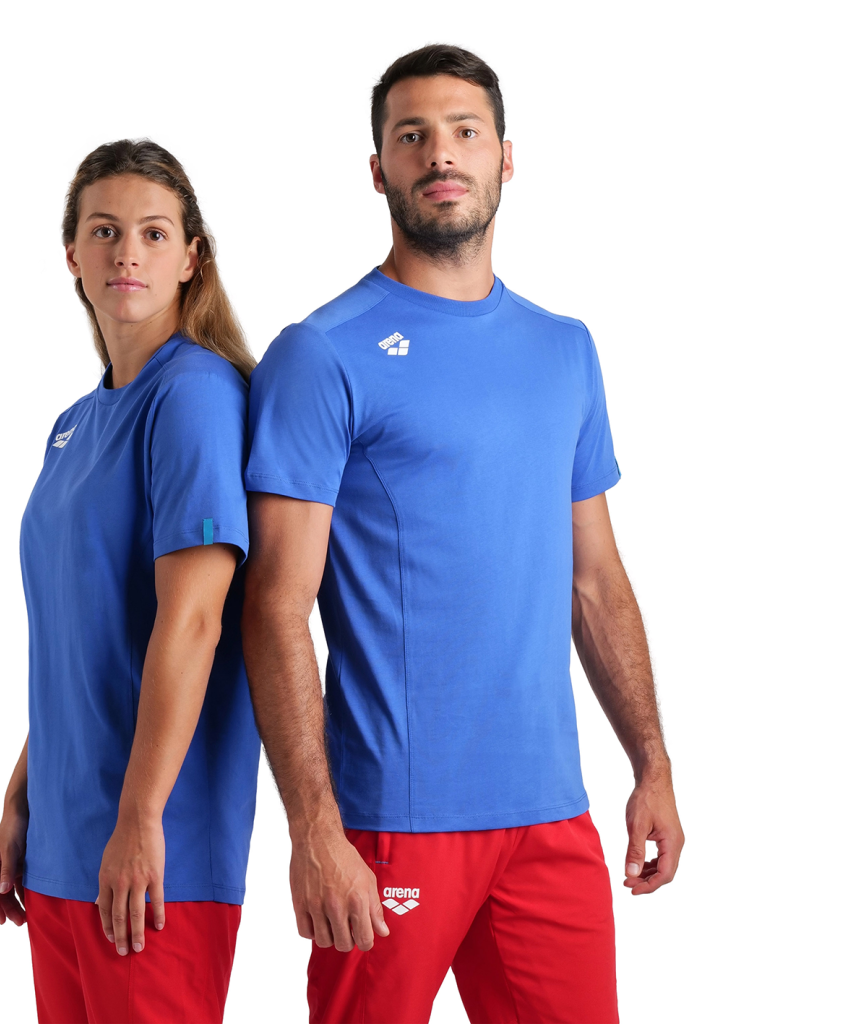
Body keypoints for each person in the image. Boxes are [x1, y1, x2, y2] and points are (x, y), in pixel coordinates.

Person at [242, 45, 685, 1024]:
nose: (440, 154)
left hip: (549, 816)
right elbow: (273, 606)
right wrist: (313, 825)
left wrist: (650, 763)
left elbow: (596, 581)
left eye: (463, 132)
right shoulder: (321, 354)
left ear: (505, 157)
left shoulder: (564, 349)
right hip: (391, 825)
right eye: (412, 136)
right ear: (379, 170)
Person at [0, 139, 260, 1024]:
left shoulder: (195, 397)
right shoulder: (74, 424)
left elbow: (195, 624)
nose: (126, 252)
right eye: (104, 231)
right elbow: (83, 639)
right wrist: (21, 798)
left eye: (153, 232)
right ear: (73, 255)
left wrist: (141, 819)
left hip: (154, 855)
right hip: (65, 847)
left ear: (191, 257)